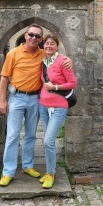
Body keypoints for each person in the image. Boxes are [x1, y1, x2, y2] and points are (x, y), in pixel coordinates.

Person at [0, 24, 71, 187]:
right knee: (12, 136)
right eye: (31, 34)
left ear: (40, 39)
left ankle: (27, 166)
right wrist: (3, 101)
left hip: (35, 99)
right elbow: (4, 78)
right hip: (16, 98)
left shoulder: (42, 55)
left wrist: (69, 60)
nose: (34, 38)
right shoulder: (13, 53)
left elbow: (58, 58)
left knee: (31, 135)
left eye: (38, 36)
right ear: (25, 35)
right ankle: (8, 172)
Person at [38, 34, 77, 189]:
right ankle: (49, 171)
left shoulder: (62, 61)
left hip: (59, 106)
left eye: (52, 44)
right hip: (43, 105)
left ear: (57, 46)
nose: (49, 46)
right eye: (46, 43)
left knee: (48, 141)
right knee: (49, 142)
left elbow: (73, 83)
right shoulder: (42, 60)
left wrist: (54, 87)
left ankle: (51, 173)